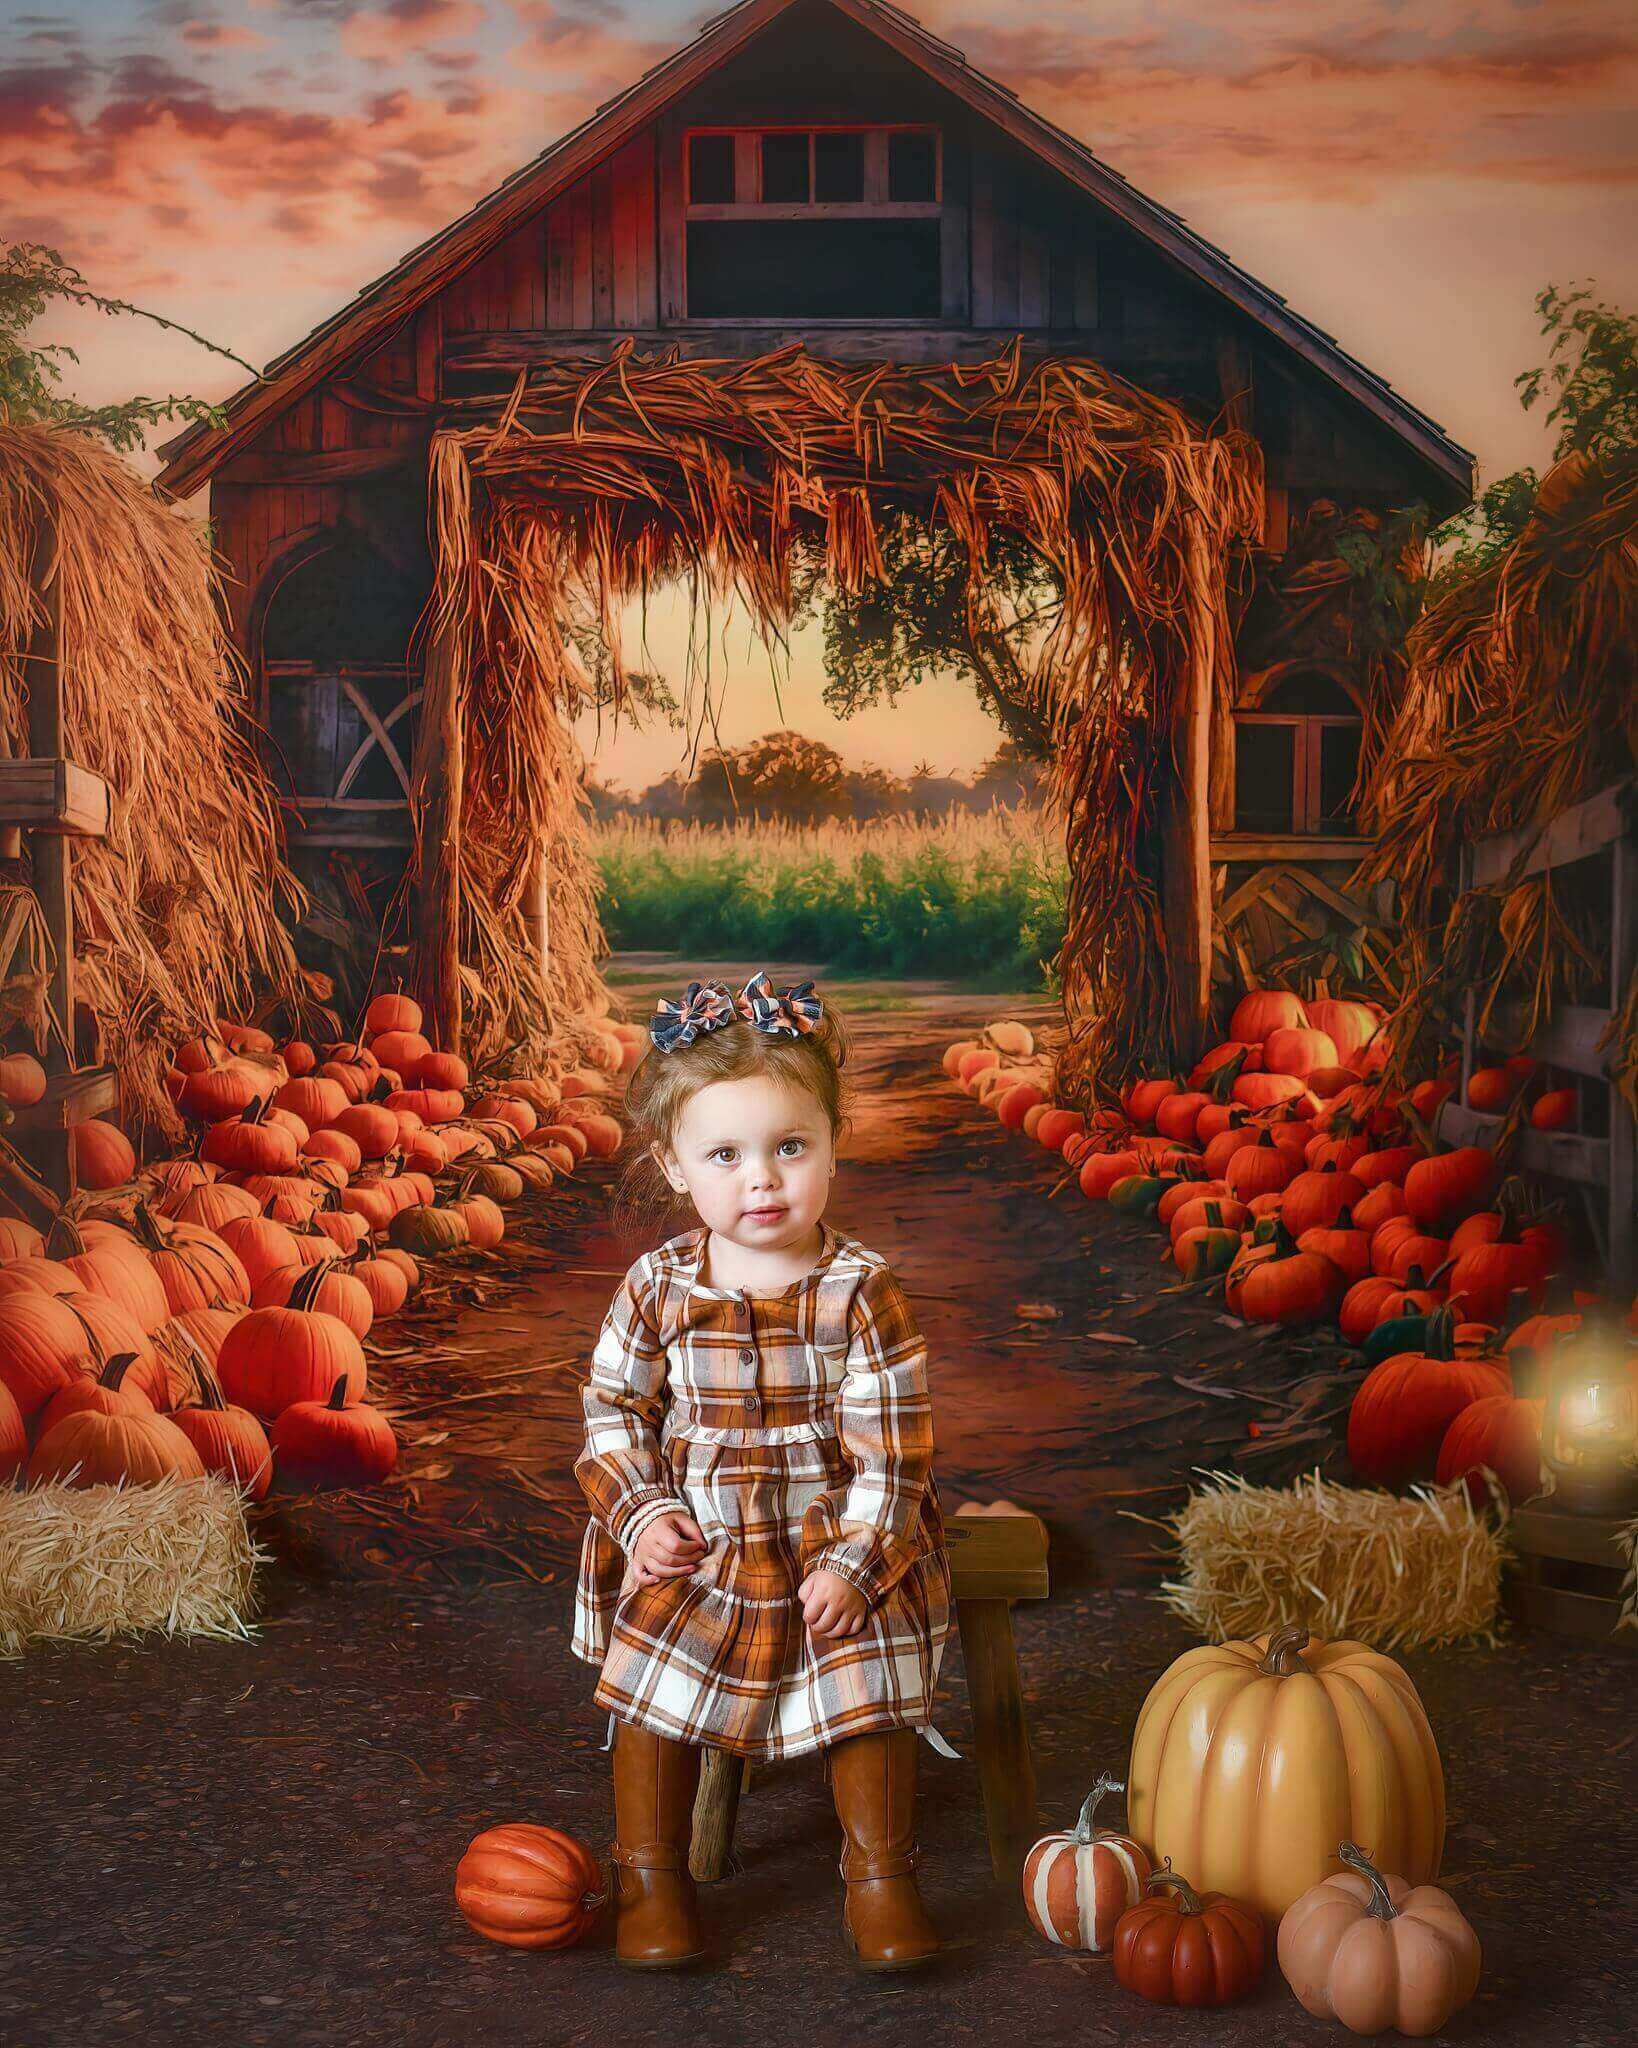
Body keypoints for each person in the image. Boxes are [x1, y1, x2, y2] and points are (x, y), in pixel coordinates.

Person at [571, 970, 952, 1973]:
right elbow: (613, 1412)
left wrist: (860, 1562)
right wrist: (643, 1513)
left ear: (834, 1140)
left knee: (866, 1666)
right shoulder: (656, 1287)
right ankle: (651, 1875)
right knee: (652, 1674)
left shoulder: (863, 1291)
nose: (764, 1179)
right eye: (727, 1154)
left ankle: (879, 1875)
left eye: (791, 1146)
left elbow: (895, 1452)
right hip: (703, 1537)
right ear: (673, 1164)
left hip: (831, 1532)